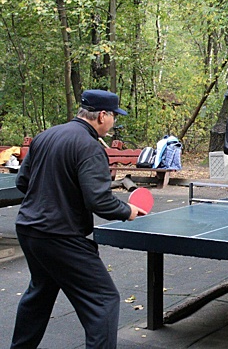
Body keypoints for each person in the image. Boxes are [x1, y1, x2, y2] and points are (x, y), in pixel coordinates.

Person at [11, 90, 146, 349]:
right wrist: (127, 211)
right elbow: (100, 201)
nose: (114, 122)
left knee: (40, 293)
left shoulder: (45, 136)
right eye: (114, 117)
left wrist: (50, 198)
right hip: (61, 236)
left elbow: (22, 182)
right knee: (103, 300)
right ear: (102, 115)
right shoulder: (90, 147)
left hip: (29, 230)